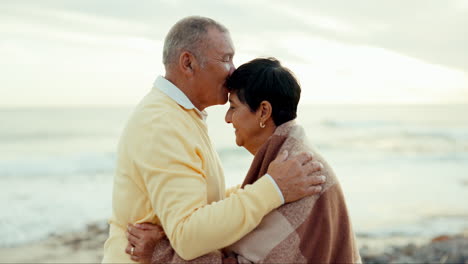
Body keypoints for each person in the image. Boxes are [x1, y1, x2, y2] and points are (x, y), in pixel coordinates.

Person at [102, 16, 326, 263]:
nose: (233, 71)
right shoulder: (162, 123)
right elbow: (188, 237)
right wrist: (273, 189)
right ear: (188, 63)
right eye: (226, 59)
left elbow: (204, 204)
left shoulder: (181, 115)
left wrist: (269, 184)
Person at [126, 58, 362, 264]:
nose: (228, 119)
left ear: (263, 112)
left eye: (233, 107)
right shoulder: (287, 163)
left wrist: (158, 252)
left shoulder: (299, 176)